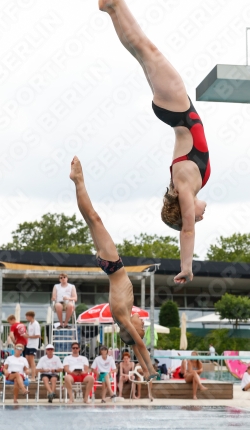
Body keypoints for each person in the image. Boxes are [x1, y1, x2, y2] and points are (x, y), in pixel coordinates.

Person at [92, 0, 209, 284]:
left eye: (196, 216)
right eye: (197, 216)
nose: (200, 216)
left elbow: (186, 230)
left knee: (146, 48)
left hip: (178, 111)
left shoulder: (185, 187)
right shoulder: (188, 185)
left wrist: (187, 266)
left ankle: (114, 3)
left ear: (183, 211)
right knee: (141, 51)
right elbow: (187, 224)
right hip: (175, 111)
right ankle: (111, 7)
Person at [70, 156, 157, 381]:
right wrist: (146, 368)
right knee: (91, 220)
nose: (143, 324)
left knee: (94, 219)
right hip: (109, 266)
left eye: (141, 328)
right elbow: (137, 346)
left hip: (113, 265)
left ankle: (78, 181)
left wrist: (150, 370)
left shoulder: (122, 317)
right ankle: (78, 181)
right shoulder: (124, 318)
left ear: (131, 330)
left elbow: (139, 345)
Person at [23, 311, 41, 381]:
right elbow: (29, 334)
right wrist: (25, 334)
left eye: (27, 316)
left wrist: (28, 336)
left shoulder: (36, 324)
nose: (26, 318)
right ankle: (27, 375)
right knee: (26, 360)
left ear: (30, 316)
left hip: (33, 345)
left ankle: (33, 377)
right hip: (29, 344)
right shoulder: (29, 324)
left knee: (31, 360)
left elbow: (38, 335)